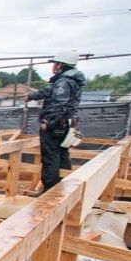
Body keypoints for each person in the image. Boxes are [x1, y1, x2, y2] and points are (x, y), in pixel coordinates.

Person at [25, 50, 86, 192]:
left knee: (50, 159)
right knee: (62, 155)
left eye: (55, 63)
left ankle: (49, 192)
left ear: (60, 64)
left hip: (57, 125)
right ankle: (63, 190)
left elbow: (59, 104)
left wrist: (48, 121)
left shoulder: (64, 82)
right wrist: (32, 95)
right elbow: (48, 92)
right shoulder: (69, 80)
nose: (53, 66)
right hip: (67, 124)